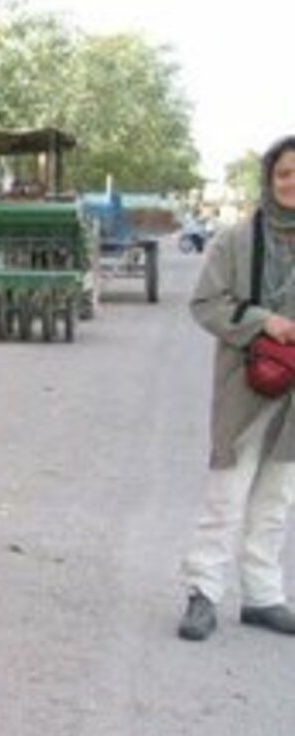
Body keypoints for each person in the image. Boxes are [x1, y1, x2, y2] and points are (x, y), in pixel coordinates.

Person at [178, 134, 295, 640]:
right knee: (227, 492)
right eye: (285, 173)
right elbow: (205, 303)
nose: (293, 183)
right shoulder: (235, 239)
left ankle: (264, 596)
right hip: (246, 383)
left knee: (276, 496)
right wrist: (265, 322)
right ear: (270, 179)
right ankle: (203, 592)